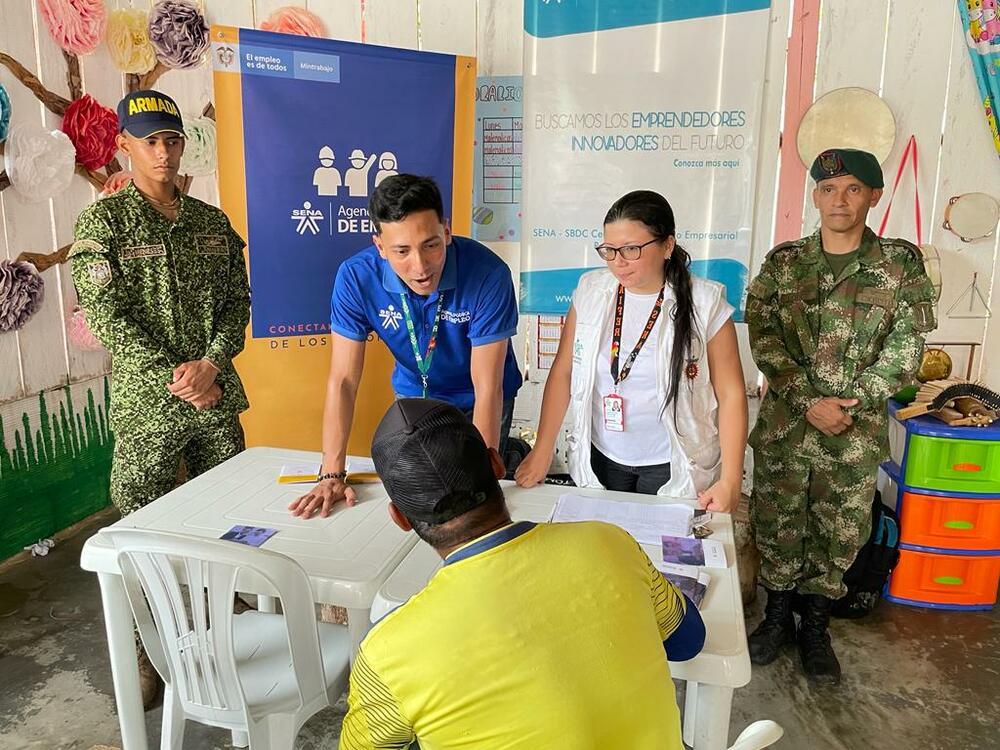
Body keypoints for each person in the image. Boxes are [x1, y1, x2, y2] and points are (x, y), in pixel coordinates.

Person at [339, 398, 705, 750]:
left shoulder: (387, 656)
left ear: (400, 518)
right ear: (497, 465)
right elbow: (687, 640)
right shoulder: (609, 543)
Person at [69, 89, 251, 706]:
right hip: (150, 403)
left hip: (215, 398)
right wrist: (179, 372)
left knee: (234, 524)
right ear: (124, 144)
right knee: (140, 531)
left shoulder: (210, 223)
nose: (163, 152)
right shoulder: (104, 224)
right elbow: (106, 315)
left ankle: (234, 633)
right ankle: (148, 654)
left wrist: (212, 364)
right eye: (148, 140)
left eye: (171, 139)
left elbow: (237, 304)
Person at [745, 148, 936, 685]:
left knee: (839, 528)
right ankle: (778, 615)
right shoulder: (784, 263)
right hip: (788, 425)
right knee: (778, 522)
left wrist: (852, 402)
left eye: (853, 189)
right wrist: (810, 401)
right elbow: (764, 338)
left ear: (874, 196)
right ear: (814, 196)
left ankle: (816, 627)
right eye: (828, 189)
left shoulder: (901, 264)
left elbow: (906, 349)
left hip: (856, 430)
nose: (839, 200)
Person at [290, 174, 522, 519]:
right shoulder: (356, 277)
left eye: (431, 245)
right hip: (414, 396)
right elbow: (343, 381)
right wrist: (331, 474)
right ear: (380, 247)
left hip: (480, 396)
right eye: (401, 251)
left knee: (473, 496)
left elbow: (487, 385)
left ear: (446, 231)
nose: (420, 266)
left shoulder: (488, 274)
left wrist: (483, 477)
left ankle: (510, 454)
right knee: (422, 494)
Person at [515, 190, 747, 508]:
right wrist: (542, 449)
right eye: (609, 250)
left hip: (672, 462)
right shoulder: (591, 291)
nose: (618, 262)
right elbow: (563, 371)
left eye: (631, 249)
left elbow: (732, 394)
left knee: (664, 553)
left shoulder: (705, 305)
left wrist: (731, 481)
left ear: (667, 245)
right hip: (602, 457)